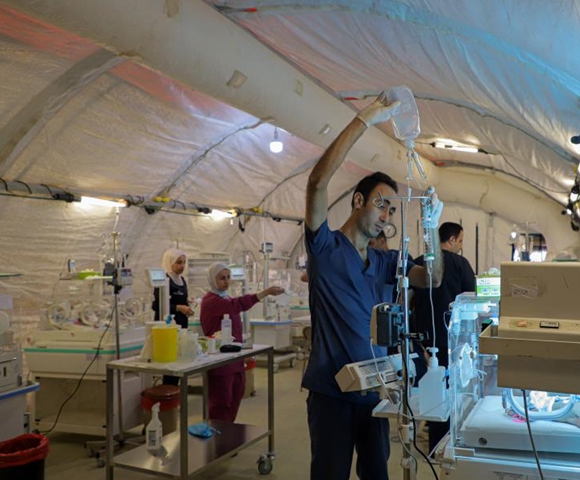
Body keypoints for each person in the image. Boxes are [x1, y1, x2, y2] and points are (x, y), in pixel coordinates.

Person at [303, 92, 444, 480]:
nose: (387, 215)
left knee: (376, 474)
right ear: (359, 201)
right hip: (332, 394)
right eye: (381, 204)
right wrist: (365, 119)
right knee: (330, 473)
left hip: (375, 393)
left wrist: (430, 226)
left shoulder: (384, 262)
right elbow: (317, 183)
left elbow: (431, 277)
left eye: (392, 209)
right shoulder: (326, 248)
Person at [412, 222, 476, 452]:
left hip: (422, 343)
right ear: (450, 240)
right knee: (454, 396)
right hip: (453, 342)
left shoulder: (419, 262)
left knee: (431, 397)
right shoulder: (461, 265)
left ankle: (433, 447)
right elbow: (472, 302)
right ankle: (448, 447)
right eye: (460, 241)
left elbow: (408, 302)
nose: (460, 246)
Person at [200, 262, 284, 422]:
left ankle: (227, 434)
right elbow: (236, 305)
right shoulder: (211, 301)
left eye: (228, 277)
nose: (226, 281)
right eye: (221, 278)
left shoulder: (226, 298)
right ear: (212, 279)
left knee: (236, 395)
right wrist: (264, 293)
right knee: (221, 402)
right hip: (220, 361)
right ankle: (218, 437)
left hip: (235, 358)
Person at [152, 248, 193, 386]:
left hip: (181, 324)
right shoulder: (163, 280)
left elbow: (182, 300)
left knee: (179, 359)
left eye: (184, 262)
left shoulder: (182, 280)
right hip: (167, 326)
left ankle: (175, 391)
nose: (182, 266)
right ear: (169, 262)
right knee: (169, 362)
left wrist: (188, 306)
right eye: (178, 262)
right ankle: (168, 389)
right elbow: (157, 305)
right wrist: (179, 308)